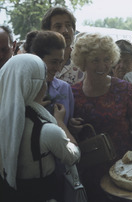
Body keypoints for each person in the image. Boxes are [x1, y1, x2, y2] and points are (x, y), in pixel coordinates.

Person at [69, 32, 132, 201]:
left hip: (123, 167)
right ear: (82, 62)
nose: (102, 65)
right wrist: (71, 126)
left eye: (106, 59)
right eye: (95, 60)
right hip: (89, 169)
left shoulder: (123, 88)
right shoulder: (72, 93)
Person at [0, 54, 80, 201]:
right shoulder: (48, 131)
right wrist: (60, 122)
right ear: (35, 85)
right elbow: (72, 157)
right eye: (44, 80)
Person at [23, 30, 74, 125]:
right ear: (36, 58)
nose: (58, 69)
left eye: (60, 62)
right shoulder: (21, 88)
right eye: (54, 62)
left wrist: (72, 126)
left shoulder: (65, 88)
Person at [41, 6, 85, 85]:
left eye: (68, 25)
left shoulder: (83, 63)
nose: (65, 31)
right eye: (58, 26)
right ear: (47, 31)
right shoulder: (39, 61)